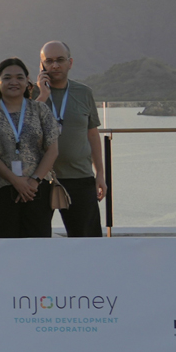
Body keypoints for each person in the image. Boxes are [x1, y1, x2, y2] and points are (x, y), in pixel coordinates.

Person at [0, 57, 62, 239]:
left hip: (36, 189)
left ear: (27, 82)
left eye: (19, 77)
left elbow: (52, 150)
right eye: (7, 78)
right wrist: (16, 181)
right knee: (1, 245)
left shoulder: (40, 110)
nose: (13, 82)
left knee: (37, 245)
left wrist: (34, 181)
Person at [35, 41, 106, 238]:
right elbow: (23, 127)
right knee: (36, 239)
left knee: (87, 240)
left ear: (70, 63)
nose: (55, 65)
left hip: (79, 177)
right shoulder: (31, 94)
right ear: (42, 65)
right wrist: (42, 95)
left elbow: (92, 134)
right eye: (49, 61)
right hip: (39, 179)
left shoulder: (84, 93)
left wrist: (100, 174)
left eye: (60, 60)